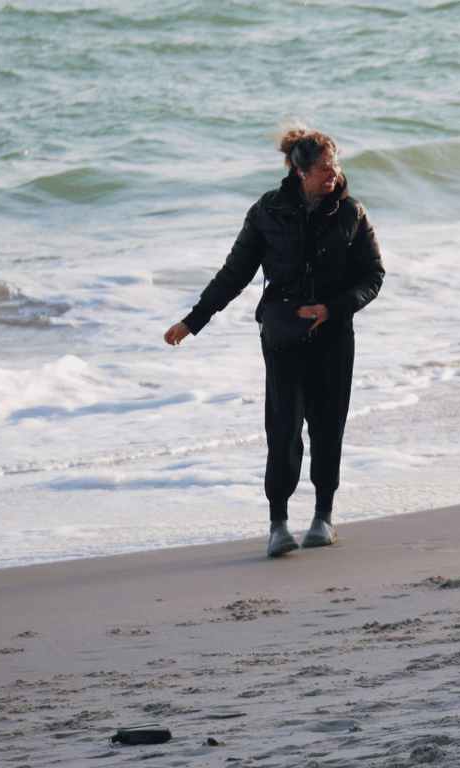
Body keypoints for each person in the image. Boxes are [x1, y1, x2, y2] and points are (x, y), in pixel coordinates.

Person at [164, 118, 384, 557]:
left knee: (328, 427)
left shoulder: (352, 213)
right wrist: (194, 320)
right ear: (300, 172)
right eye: (325, 168)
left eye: (336, 165)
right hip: (282, 335)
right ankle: (278, 525)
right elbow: (235, 273)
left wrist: (331, 309)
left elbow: (372, 276)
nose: (335, 174)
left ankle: (323, 518)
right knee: (283, 427)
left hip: (334, 334)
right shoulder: (266, 211)